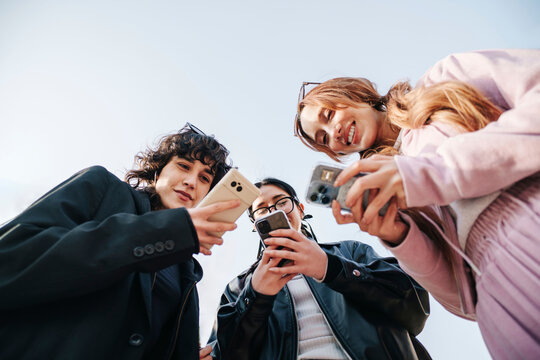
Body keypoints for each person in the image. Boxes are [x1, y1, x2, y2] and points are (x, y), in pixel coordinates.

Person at [293, 49, 540, 359]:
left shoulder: (446, 78)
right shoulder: (387, 191)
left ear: (351, 91)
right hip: (501, 312)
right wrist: (399, 236)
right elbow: (459, 300)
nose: (334, 134)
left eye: (328, 116)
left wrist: (426, 175)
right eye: (324, 139)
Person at [0, 123, 240, 360]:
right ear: (158, 171)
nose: (191, 182)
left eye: (204, 178)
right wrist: (166, 232)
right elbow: (11, 258)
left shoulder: (187, 272)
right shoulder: (103, 189)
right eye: (183, 166)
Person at [206, 177, 431, 360]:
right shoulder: (239, 287)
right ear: (254, 225)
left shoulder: (349, 252)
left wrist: (330, 268)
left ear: (300, 209)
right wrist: (256, 295)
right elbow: (226, 353)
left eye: (281, 202)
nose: (274, 212)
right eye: (262, 210)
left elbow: (415, 305)